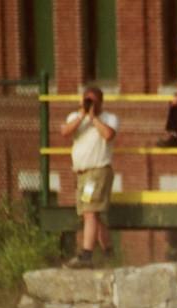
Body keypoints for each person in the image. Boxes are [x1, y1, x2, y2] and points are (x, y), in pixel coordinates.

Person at [60, 86, 118, 269]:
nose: (89, 104)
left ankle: (86, 255)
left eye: (93, 101)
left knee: (90, 211)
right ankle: (109, 252)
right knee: (91, 213)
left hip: (97, 172)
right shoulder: (75, 117)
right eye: (86, 100)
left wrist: (93, 118)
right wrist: (82, 115)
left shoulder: (109, 118)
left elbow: (109, 135)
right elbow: (65, 132)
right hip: (83, 174)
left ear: (101, 102)